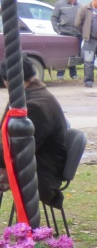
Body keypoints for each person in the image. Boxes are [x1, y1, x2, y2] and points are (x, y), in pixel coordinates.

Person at [0, 57, 68, 205]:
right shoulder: (31, 95)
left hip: (41, 172)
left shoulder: (35, 105)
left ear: (8, 81)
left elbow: (18, 149)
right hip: (32, 163)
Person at [50, 0, 80, 82]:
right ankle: (60, 74)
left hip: (76, 34)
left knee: (74, 55)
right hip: (64, 33)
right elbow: (54, 18)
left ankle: (73, 74)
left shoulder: (79, 6)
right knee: (63, 54)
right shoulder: (60, 4)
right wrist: (57, 30)